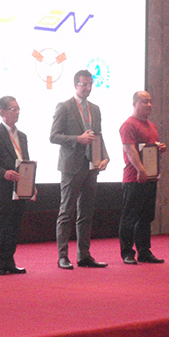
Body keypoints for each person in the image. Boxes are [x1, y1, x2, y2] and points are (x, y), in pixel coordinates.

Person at [50, 69, 109, 270]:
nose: (88, 88)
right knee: (66, 211)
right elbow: (53, 136)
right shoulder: (64, 106)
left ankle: (84, 255)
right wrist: (78, 139)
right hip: (71, 166)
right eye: (84, 84)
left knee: (86, 212)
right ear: (75, 85)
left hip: (91, 165)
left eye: (90, 84)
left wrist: (105, 156)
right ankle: (62, 256)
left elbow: (98, 135)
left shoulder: (95, 109)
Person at [0, 96, 35, 275]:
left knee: (14, 225)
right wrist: (4, 173)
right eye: (13, 109)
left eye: (18, 109)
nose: (17, 112)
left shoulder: (22, 136)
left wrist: (31, 184)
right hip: (2, 187)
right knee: (0, 225)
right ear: (2, 112)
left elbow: (25, 161)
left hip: (20, 187)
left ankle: (9, 261)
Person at [119, 90, 167, 264]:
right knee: (130, 217)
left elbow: (149, 150)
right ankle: (127, 253)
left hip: (150, 178)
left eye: (150, 101)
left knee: (146, 217)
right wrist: (140, 169)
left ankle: (144, 251)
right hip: (134, 178)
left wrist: (159, 149)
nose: (149, 105)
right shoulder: (128, 125)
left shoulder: (151, 125)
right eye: (144, 101)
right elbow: (130, 150)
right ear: (135, 104)